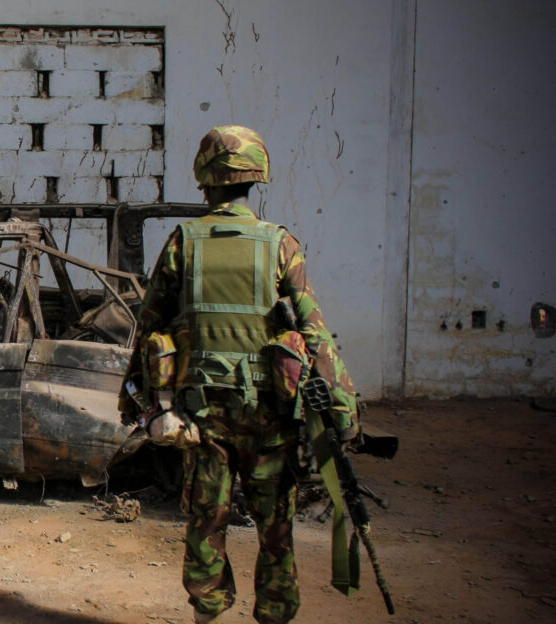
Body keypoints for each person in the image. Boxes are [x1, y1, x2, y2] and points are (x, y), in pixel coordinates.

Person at [120, 125, 360, 624]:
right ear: (256, 177)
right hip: (271, 417)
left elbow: (149, 329)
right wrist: (344, 411)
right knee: (276, 527)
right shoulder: (280, 245)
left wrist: (138, 404)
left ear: (204, 178)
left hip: (204, 417)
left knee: (206, 521)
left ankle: (207, 612)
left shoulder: (183, 242)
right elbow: (316, 334)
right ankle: (274, 613)